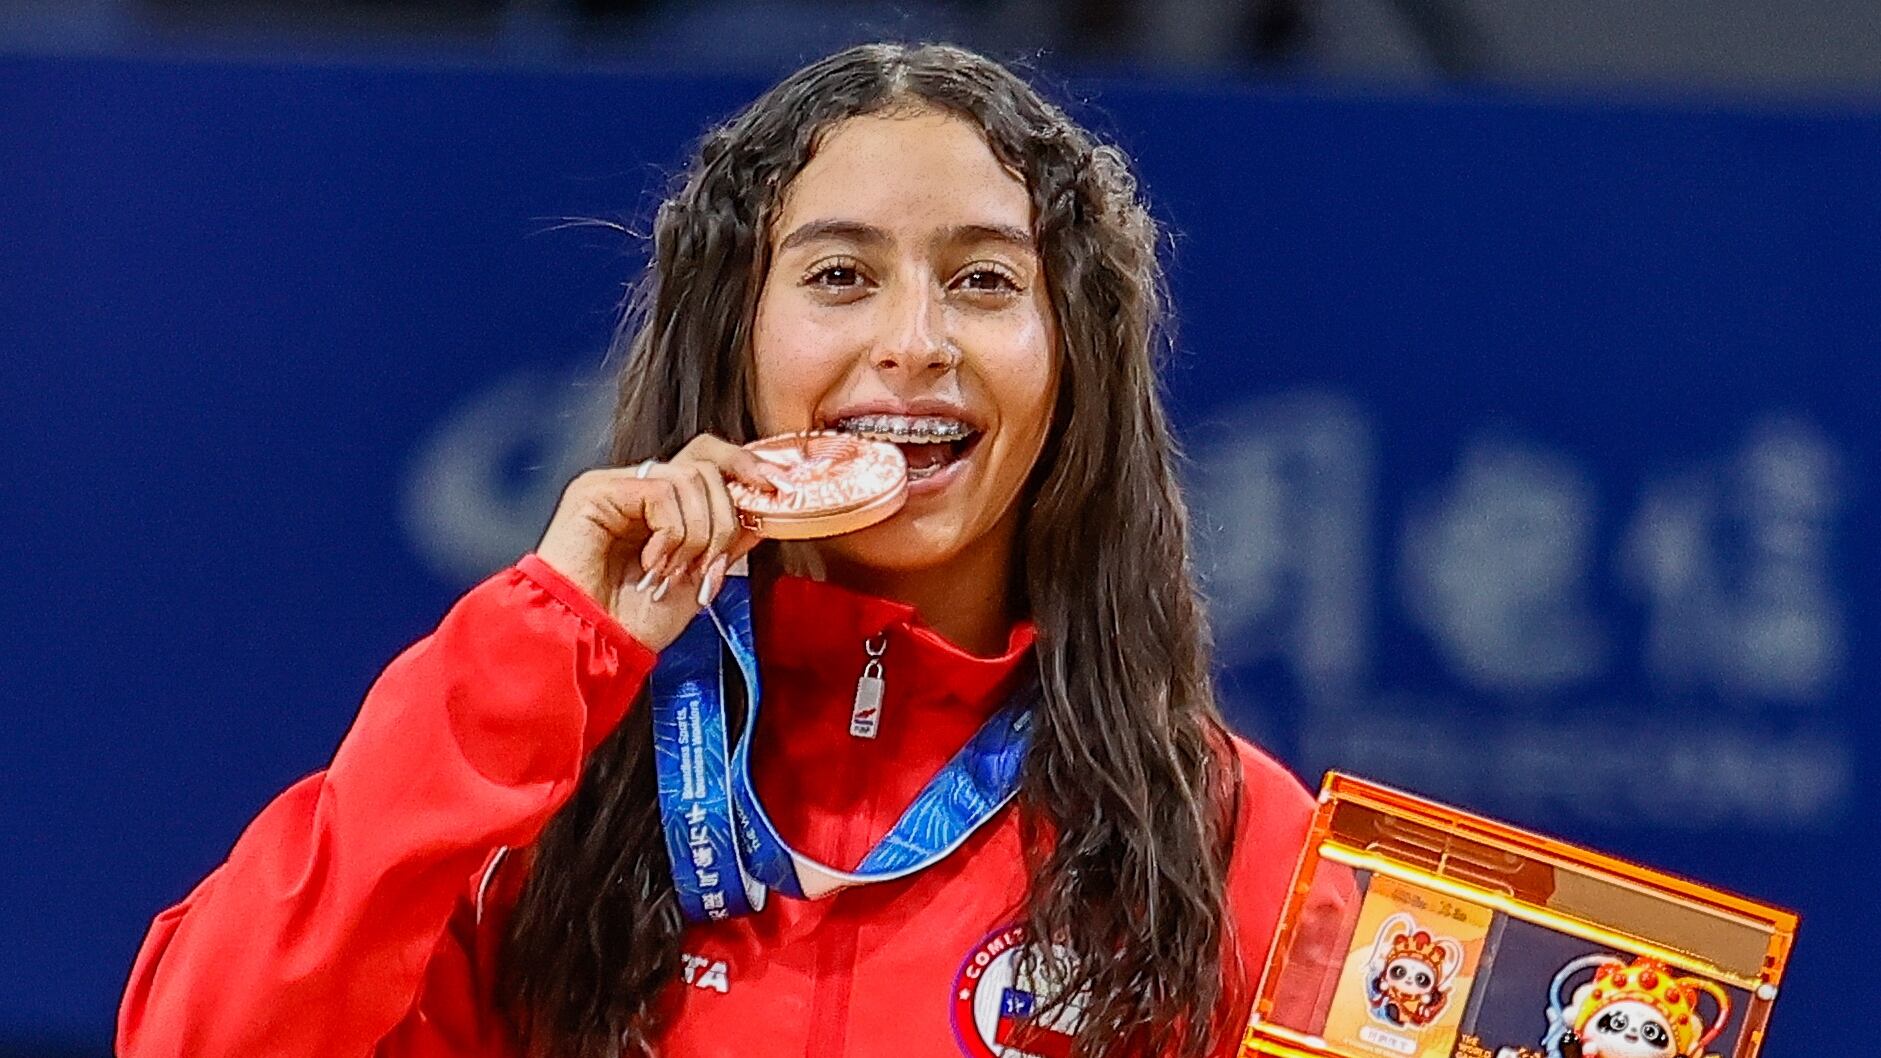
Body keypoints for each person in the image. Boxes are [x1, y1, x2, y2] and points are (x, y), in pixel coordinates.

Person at [118, 41, 1338, 1058]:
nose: (914, 340)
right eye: (841, 275)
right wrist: (536, 649)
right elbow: (204, 1036)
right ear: (735, 343)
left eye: (980, 278)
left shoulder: (1232, 847)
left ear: (1073, 364)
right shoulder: (539, 819)